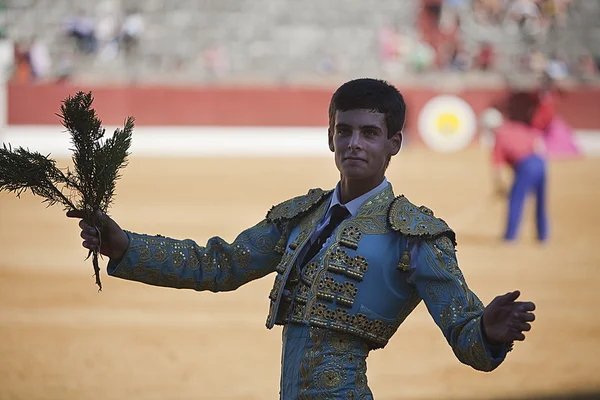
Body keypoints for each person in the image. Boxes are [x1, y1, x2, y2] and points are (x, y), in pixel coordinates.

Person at [68, 78, 536, 399]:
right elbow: (219, 266)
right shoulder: (300, 216)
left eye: (370, 133)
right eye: (345, 130)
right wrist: (125, 245)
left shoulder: (414, 235)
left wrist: (487, 333)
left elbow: (465, 334)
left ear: (394, 142)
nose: (355, 143)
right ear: (330, 137)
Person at [491, 117, 548, 243]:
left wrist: (500, 188)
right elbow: (538, 143)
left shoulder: (499, 138)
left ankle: (510, 236)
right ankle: (543, 236)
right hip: (540, 161)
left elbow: (499, 169)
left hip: (525, 165)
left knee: (515, 200)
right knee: (541, 201)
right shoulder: (516, 125)